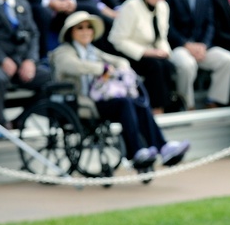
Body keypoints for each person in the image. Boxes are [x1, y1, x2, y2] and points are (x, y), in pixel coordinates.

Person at [50, 11, 190, 169]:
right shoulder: (63, 52)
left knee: (137, 102)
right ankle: (135, 151)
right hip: (80, 103)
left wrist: (121, 66)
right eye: (80, 28)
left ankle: (162, 146)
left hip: (101, 99)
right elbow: (73, 65)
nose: (86, 31)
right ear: (71, 32)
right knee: (125, 103)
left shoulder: (92, 51)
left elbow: (116, 60)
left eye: (89, 27)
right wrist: (102, 69)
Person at [167, 0, 230, 109]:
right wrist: (186, 45)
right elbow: (168, 26)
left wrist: (204, 45)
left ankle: (213, 100)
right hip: (178, 46)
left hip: (200, 47)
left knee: (227, 59)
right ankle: (187, 104)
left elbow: (210, 23)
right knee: (186, 64)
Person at [108, 0, 176, 113]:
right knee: (155, 66)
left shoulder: (163, 6)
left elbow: (161, 37)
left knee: (167, 65)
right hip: (126, 52)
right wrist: (147, 52)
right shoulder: (131, 6)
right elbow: (117, 40)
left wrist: (165, 52)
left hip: (151, 51)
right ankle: (154, 110)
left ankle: (166, 105)